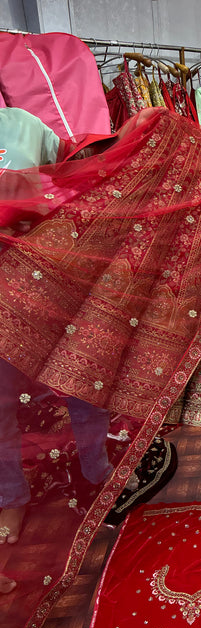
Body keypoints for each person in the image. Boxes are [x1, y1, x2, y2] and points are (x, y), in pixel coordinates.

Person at [0, 108, 112, 592]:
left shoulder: (21, 125)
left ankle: (97, 468)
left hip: (46, 276)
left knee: (82, 375)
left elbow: (73, 171)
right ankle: (11, 497)